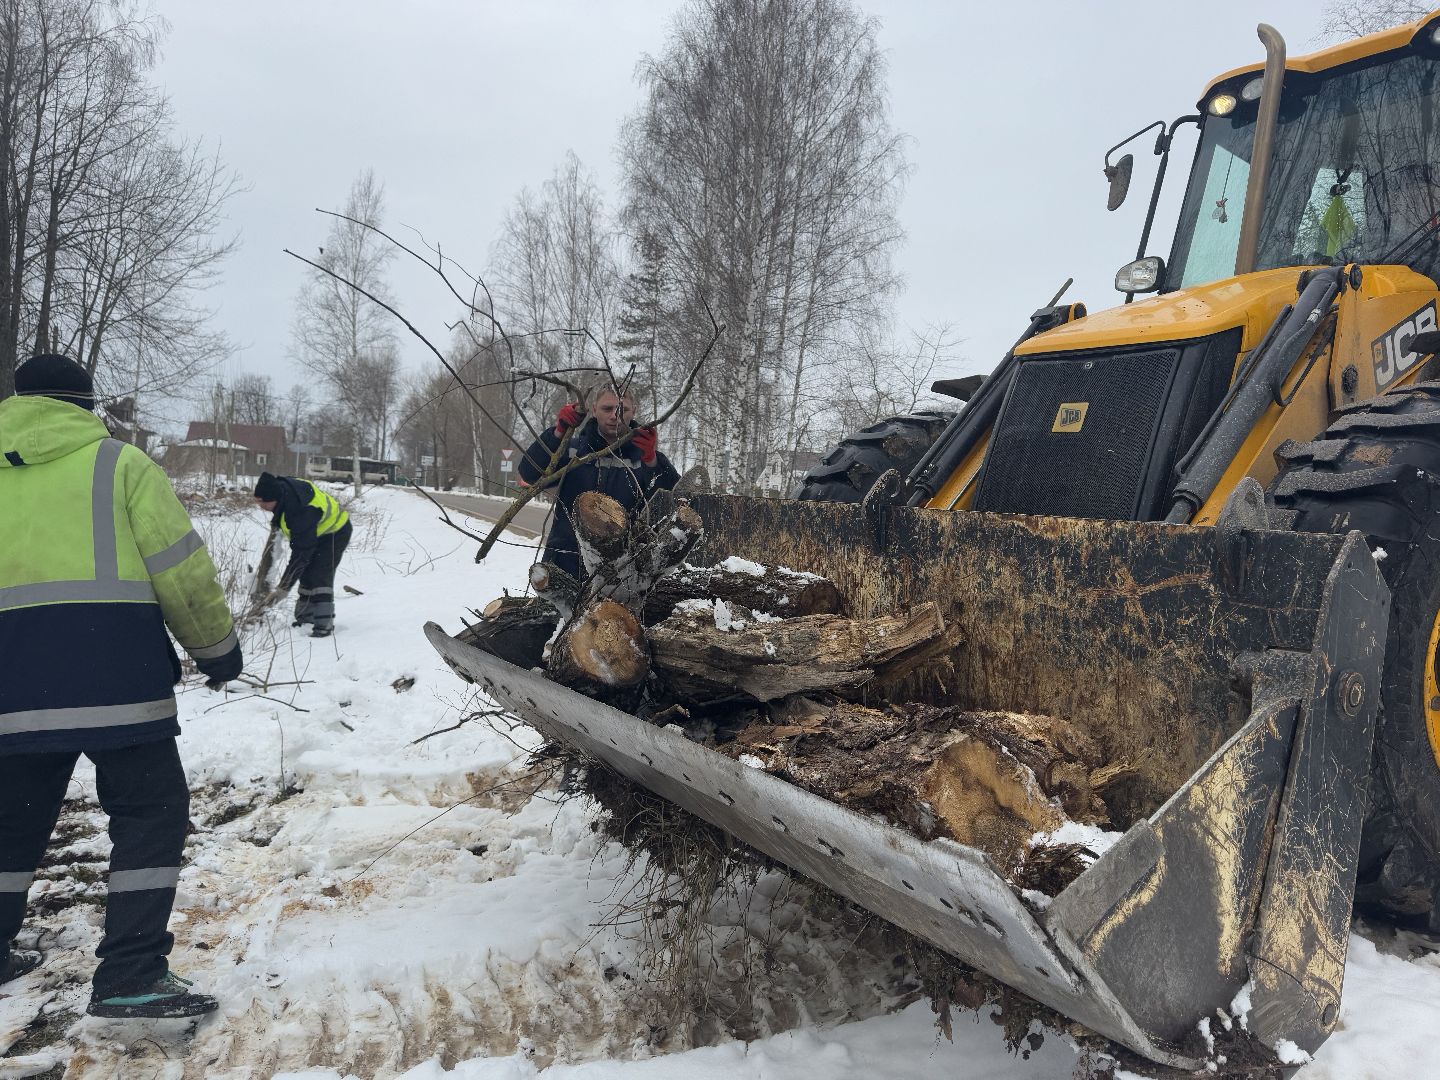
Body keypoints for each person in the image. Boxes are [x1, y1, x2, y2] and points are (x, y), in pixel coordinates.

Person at [0, 353, 241, 1018]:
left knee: (10, 823)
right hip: (116, 679)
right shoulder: (119, 465)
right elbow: (181, 573)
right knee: (150, 814)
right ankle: (131, 974)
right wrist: (218, 652)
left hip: (10, 686)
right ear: (86, 405)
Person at [518, 384, 679, 579]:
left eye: (622, 410)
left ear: (634, 411)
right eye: (607, 408)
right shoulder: (572, 451)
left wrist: (652, 462)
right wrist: (557, 433)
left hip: (622, 574)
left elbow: (672, 505)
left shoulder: (645, 458)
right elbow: (529, 474)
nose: (614, 416)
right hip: (564, 565)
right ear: (594, 409)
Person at [252, 472, 351, 637]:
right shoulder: (283, 492)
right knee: (306, 574)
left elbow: (301, 554)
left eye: (262, 502)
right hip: (316, 531)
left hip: (335, 532)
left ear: (273, 499)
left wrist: (284, 587)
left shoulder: (300, 511)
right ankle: (305, 618)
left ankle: (323, 625)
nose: (259, 506)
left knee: (320, 575)